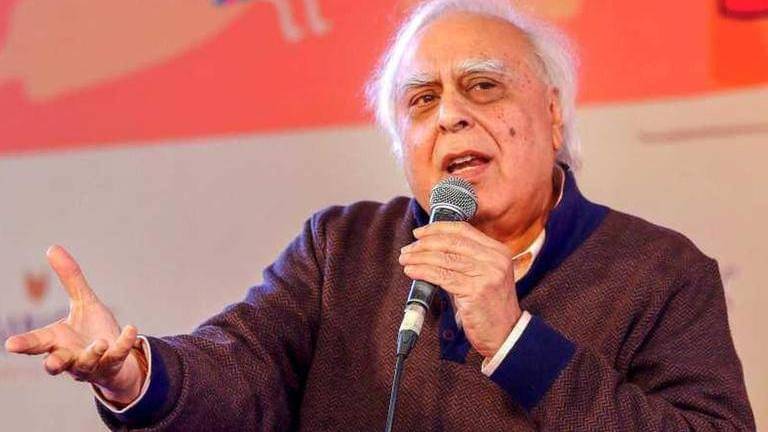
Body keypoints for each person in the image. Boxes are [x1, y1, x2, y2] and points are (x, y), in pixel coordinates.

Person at [4, 0, 756, 430]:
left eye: (484, 86)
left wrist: (517, 340)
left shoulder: (659, 271)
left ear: (554, 114)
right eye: (422, 100)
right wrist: (136, 372)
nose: (451, 115)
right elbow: (244, 368)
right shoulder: (343, 246)